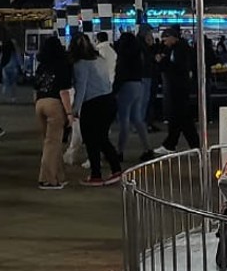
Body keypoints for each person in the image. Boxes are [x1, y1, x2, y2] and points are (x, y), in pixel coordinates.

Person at [68, 33, 122, 186]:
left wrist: (74, 110)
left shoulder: (80, 64)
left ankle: (96, 175)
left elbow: (81, 88)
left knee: (91, 140)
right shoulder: (99, 59)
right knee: (102, 138)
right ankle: (116, 169)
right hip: (109, 100)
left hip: (93, 104)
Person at [32, 35, 72, 189]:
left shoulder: (41, 66)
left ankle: (59, 175)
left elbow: (35, 89)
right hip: (54, 104)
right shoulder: (62, 65)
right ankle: (47, 179)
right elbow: (64, 92)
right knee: (53, 143)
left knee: (48, 142)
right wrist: (69, 113)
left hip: (39, 103)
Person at [153, 26, 199, 154]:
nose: (164, 42)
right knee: (180, 119)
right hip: (178, 88)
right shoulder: (177, 49)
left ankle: (174, 144)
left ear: (172, 37)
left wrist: (162, 62)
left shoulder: (179, 51)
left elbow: (175, 68)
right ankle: (175, 144)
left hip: (177, 88)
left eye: (165, 39)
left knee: (181, 118)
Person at [112, 31, 153, 162]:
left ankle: (119, 151)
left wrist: (114, 91)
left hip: (126, 87)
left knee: (124, 121)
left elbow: (120, 75)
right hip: (138, 85)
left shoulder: (124, 56)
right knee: (137, 119)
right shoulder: (138, 54)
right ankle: (147, 148)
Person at [0, 33, 20, 102]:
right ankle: (13, 97)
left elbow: (0, 58)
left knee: (5, 82)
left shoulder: (4, 51)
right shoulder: (14, 52)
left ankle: (5, 96)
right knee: (13, 83)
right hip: (14, 67)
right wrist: (21, 66)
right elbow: (18, 57)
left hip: (5, 66)